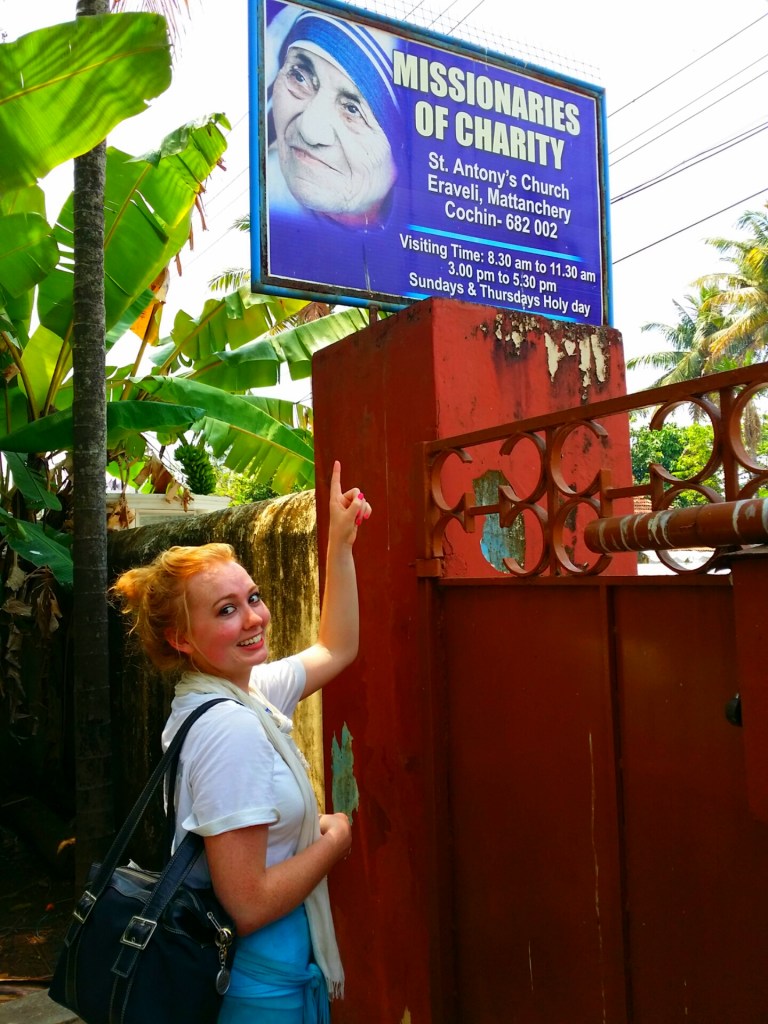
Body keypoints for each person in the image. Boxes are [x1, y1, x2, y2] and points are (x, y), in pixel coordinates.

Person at [111, 461, 372, 1024]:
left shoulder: (243, 693)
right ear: (182, 638)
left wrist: (340, 542)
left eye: (252, 597)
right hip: (258, 986)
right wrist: (335, 839)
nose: (254, 618)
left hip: (272, 970)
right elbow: (247, 903)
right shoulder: (230, 728)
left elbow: (336, 648)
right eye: (226, 610)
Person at [268, 9, 403, 229]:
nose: (309, 130)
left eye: (352, 109)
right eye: (299, 77)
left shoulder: (425, 235)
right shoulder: (265, 202)